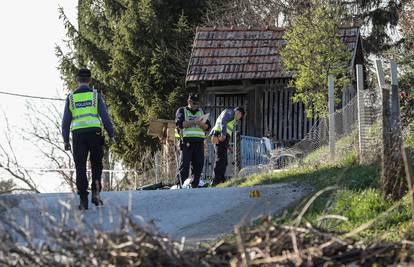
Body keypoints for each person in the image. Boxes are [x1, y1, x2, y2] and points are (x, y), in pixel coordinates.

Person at [61, 68, 115, 210]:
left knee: (80, 166)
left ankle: (83, 200)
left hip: (78, 135)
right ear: (90, 80)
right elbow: (105, 117)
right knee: (96, 164)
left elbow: (65, 122)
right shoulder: (95, 96)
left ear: (77, 80)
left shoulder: (71, 97)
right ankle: (96, 194)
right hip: (95, 134)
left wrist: (66, 140)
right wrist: (112, 134)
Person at [175, 93, 211, 188]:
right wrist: (194, 122)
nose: (196, 106)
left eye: (197, 103)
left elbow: (208, 127)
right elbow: (180, 124)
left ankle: (194, 185)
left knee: (199, 164)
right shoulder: (182, 110)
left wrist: (201, 124)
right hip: (187, 141)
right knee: (185, 164)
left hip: (199, 142)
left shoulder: (201, 111)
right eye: (194, 103)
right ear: (189, 102)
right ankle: (180, 185)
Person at [210, 107, 245, 186]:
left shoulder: (232, 117)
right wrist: (223, 134)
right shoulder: (230, 112)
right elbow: (224, 121)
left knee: (224, 161)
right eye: (240, 117)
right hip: (219, 135)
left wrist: (228, 145)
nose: (238, 119)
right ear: (239, 113)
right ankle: (215, 181)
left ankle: (221, 180)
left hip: (223, 138)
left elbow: (227, 128)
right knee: (220, 159)